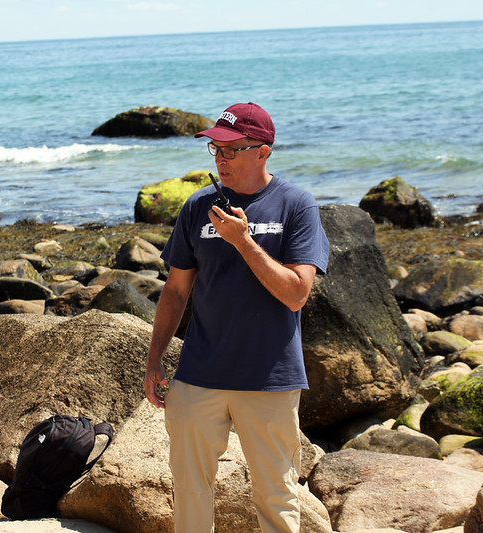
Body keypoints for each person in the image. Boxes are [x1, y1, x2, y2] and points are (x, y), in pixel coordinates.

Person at [143, 102, 329, 533]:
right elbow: (175, 290)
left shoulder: (296, 205)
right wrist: (154, 360)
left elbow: (296, 295)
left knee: (276, 493)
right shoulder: (197, 206)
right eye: (216, 149)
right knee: (189, 488)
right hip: (199, 375)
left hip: (270, 378)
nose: (220, 159)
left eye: (231, 149)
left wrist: (243, 242)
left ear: (262, 152)